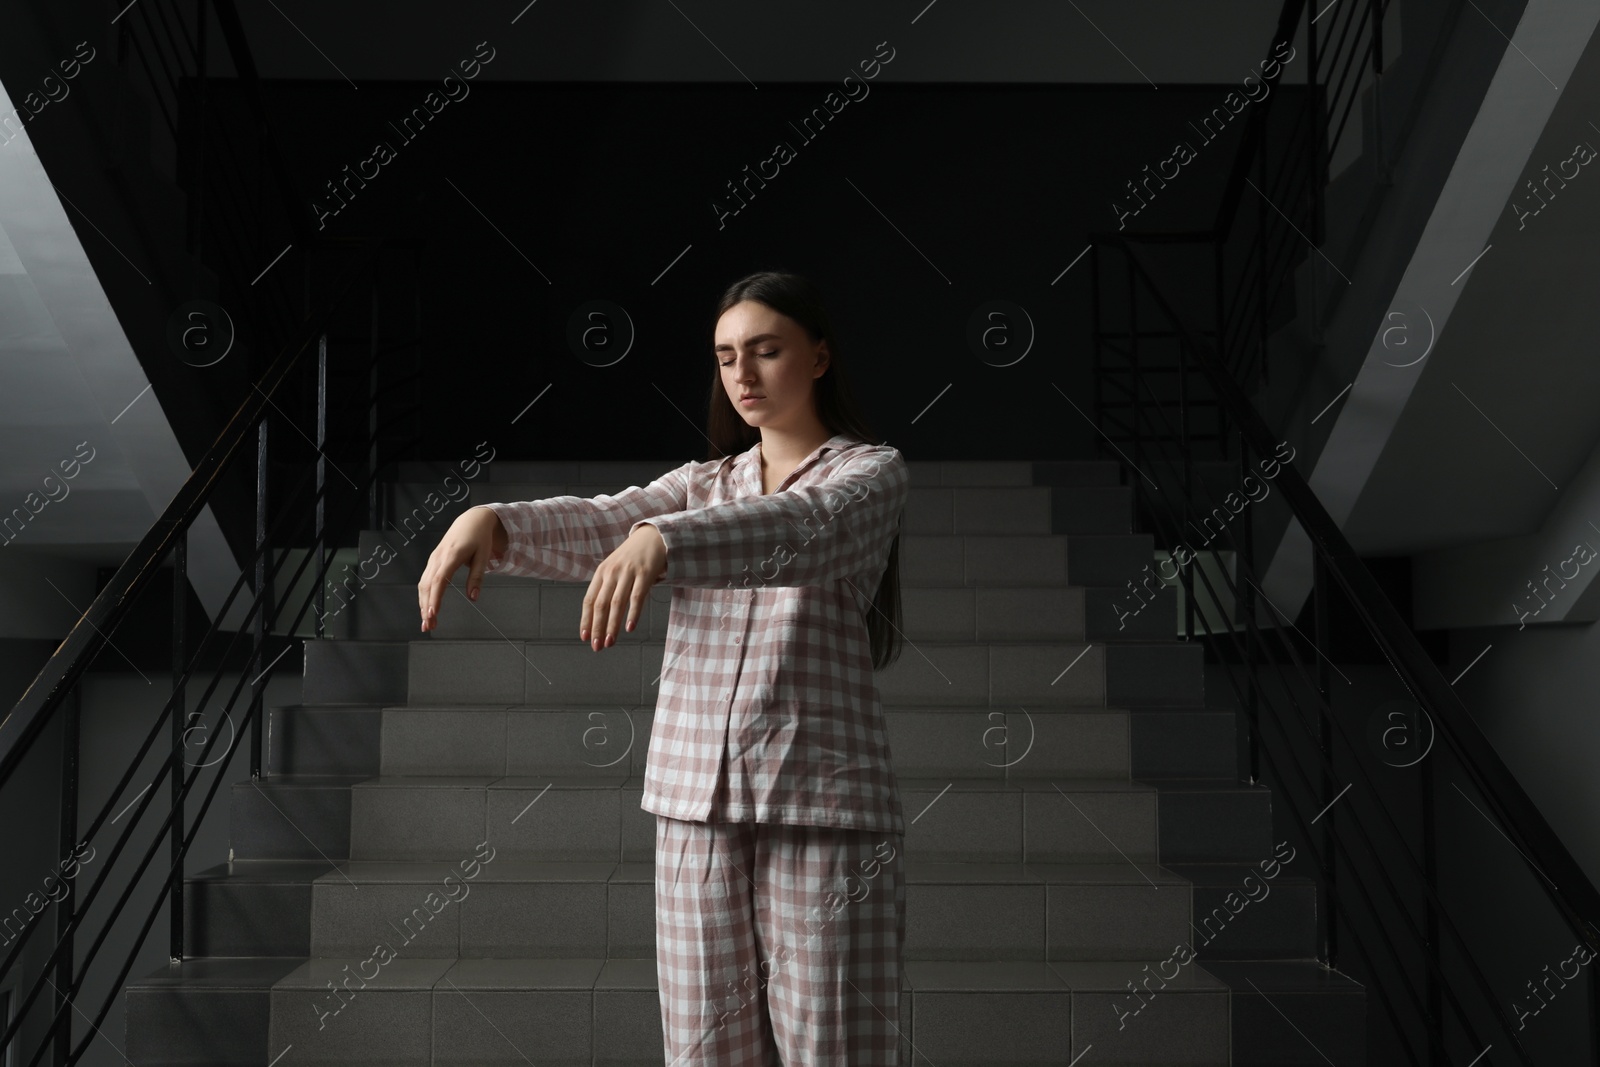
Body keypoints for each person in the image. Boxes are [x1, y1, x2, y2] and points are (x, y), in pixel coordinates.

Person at [417, 270, 912, 1065]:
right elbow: (602, 521)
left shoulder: (872, 472)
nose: (742, 375)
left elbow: (805, 526)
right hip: (692, 804)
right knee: (704, 1051)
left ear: (819, 357)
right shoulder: (700, 485)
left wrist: (666, 539)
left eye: (766, 351)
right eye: (724, 357)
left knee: (836, 1050)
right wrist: (496, 521)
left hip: (821, 804)